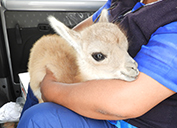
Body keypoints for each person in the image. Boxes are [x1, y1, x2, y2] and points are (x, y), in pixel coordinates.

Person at [17, 0, 177, 127]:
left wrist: (51, 89)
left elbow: (125, 103)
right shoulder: (124, 2)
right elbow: (82, 33)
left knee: (39, 119)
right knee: (37, 81)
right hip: (99, 84)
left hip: (133, 121)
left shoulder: (172, 22)